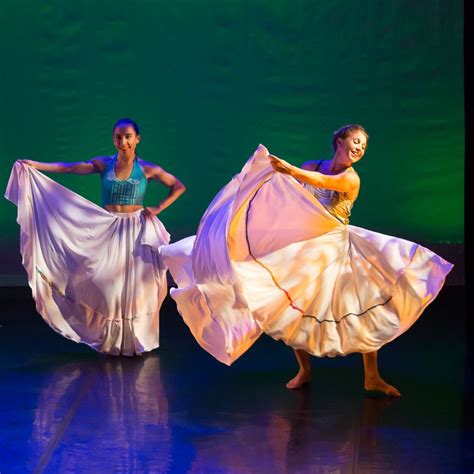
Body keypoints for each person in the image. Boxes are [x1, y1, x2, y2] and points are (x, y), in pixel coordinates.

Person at [160, 124, 452, 396]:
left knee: (361, 305)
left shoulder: (350, 178)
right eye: (356, 142)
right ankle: (304, 370)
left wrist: (290, 169)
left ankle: (372, 376)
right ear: (340, 142)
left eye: (364, 146)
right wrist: (266, 177)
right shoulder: (313, 165)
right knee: (291, 306)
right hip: (306, 247)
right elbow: (289, 194)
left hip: (336, 249)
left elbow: (320, 181)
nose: (360, 149)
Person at [5, 118, 185, 355]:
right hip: (109, 228)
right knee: (109, 287)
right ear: (113, 139)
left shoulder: (147, 169)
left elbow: (178, 186)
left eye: (128, 136)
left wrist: (158, 208)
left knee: (134, 288)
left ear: (137, 139)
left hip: (136, 230)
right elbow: (70, 167)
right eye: (118, 137)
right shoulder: (104, 164)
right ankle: (112, 341)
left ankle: (135, 341)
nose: (123, 141)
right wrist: (36, 165)